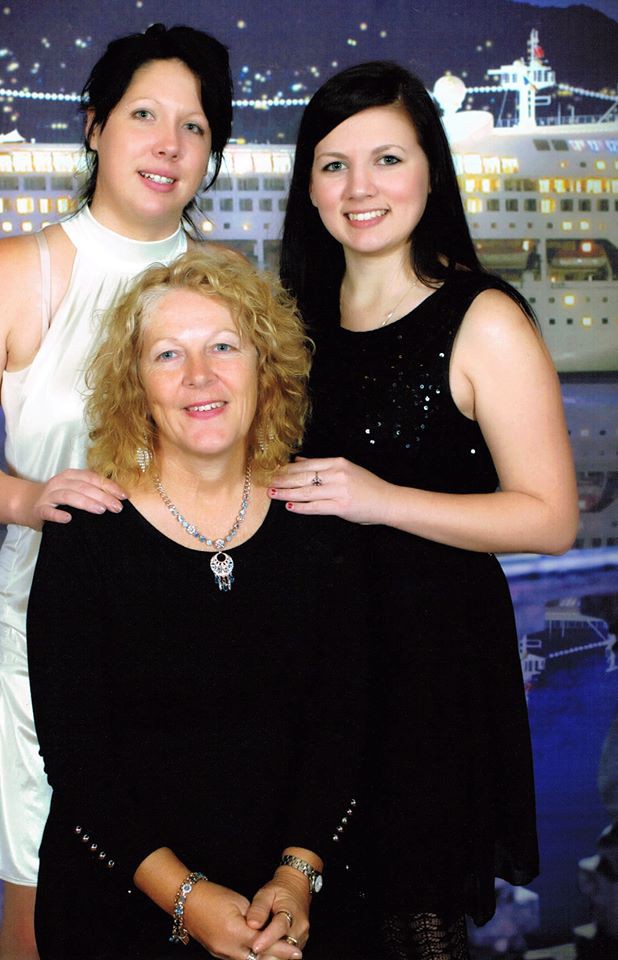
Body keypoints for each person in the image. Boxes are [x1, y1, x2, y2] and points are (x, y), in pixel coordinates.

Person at [0, 24, 233, 958]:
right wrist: (29, 500)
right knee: (44, 903)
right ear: (95, 126)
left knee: (200, 892)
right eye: (144, 116)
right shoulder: (14, 271)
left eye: (194, 126)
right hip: (54, 624)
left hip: (203, 629)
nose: (169, 144)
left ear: (212, 151)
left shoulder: (229, 282)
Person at [273, 61, 579, 959]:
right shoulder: (289, 318)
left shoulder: (483, 319)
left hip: (429, 674)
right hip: (308, 666)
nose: (359, 189)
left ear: (431, 172)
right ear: (309, 187)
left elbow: (550, 518)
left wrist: (382, 500)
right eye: (334, 165)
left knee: (415, 922)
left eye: (387, 160)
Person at [26, 248, 368, 959]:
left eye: (223, 347)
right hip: (120, 905)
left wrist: (296, 877)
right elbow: (78, 759)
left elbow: (342, 729)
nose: (199, 376)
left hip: (293, 906)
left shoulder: (322, 524)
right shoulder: (85, 534)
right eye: (168, 355)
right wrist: (189, 899)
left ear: (265, 369)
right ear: (134, 386)